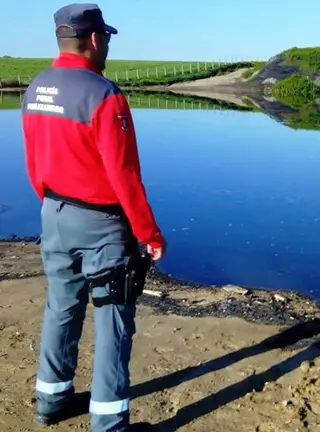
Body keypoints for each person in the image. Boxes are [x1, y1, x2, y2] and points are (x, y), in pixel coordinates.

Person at [20, 3, 166, 431]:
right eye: (108, 40)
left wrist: (52, 206)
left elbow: (33, 161)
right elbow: (124, 175)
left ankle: (51, 400)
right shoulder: (104, 94)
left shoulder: (36, 88)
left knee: (61, 307)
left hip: (53, 214)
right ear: (96, 39)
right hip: (102, 225)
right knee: (113, 319)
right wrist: (149, 232)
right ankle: (109, 423)